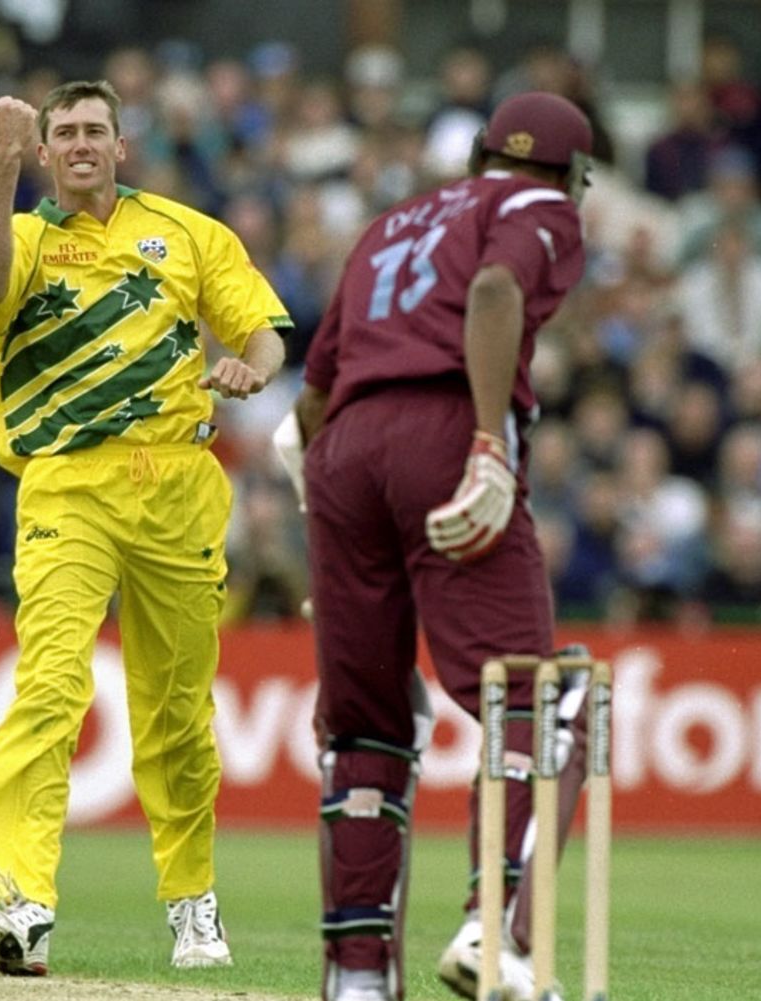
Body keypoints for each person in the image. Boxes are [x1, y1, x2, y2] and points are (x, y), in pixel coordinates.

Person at [0, 79, 292, 977]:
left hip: (180, 483)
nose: (81, 145)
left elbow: (263, 332)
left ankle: (192, 904)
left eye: (95, 130)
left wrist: (251, 369)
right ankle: (22, 900)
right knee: (51, 683)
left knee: (177, 712)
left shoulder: (187, 232)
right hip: (68, 482)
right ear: (47, 152)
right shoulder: (22, 234)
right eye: (63, 134)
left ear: (121, 145)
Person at [276, 91, 594, 1001]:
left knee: (366, 722)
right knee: (540, 698)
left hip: (342, 456)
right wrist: (490, 442)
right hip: (446, 430)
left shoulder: (390, 224)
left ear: (475, 157)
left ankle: (358, 978)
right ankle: (501, 935)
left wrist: (332, 541)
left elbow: (313, 396)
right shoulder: (539, 207)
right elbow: (494, 291)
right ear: (570, 175)